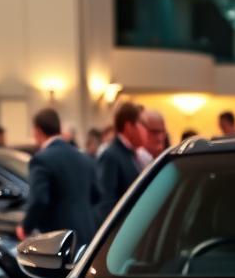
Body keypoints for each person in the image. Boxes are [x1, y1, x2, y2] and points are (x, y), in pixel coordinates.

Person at [17, 107, 99, 245]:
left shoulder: (41, 160)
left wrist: (25, 227)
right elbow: (96, 196)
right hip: (87, 235)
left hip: (59, 240)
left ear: (37, 130)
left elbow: (39, 200)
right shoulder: (82, 157)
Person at [95, 101, 146, 221]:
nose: (145, 131)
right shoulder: (111, 155)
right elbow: (106, 203)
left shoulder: (131, 153)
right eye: (142, 125)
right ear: (129, 126)